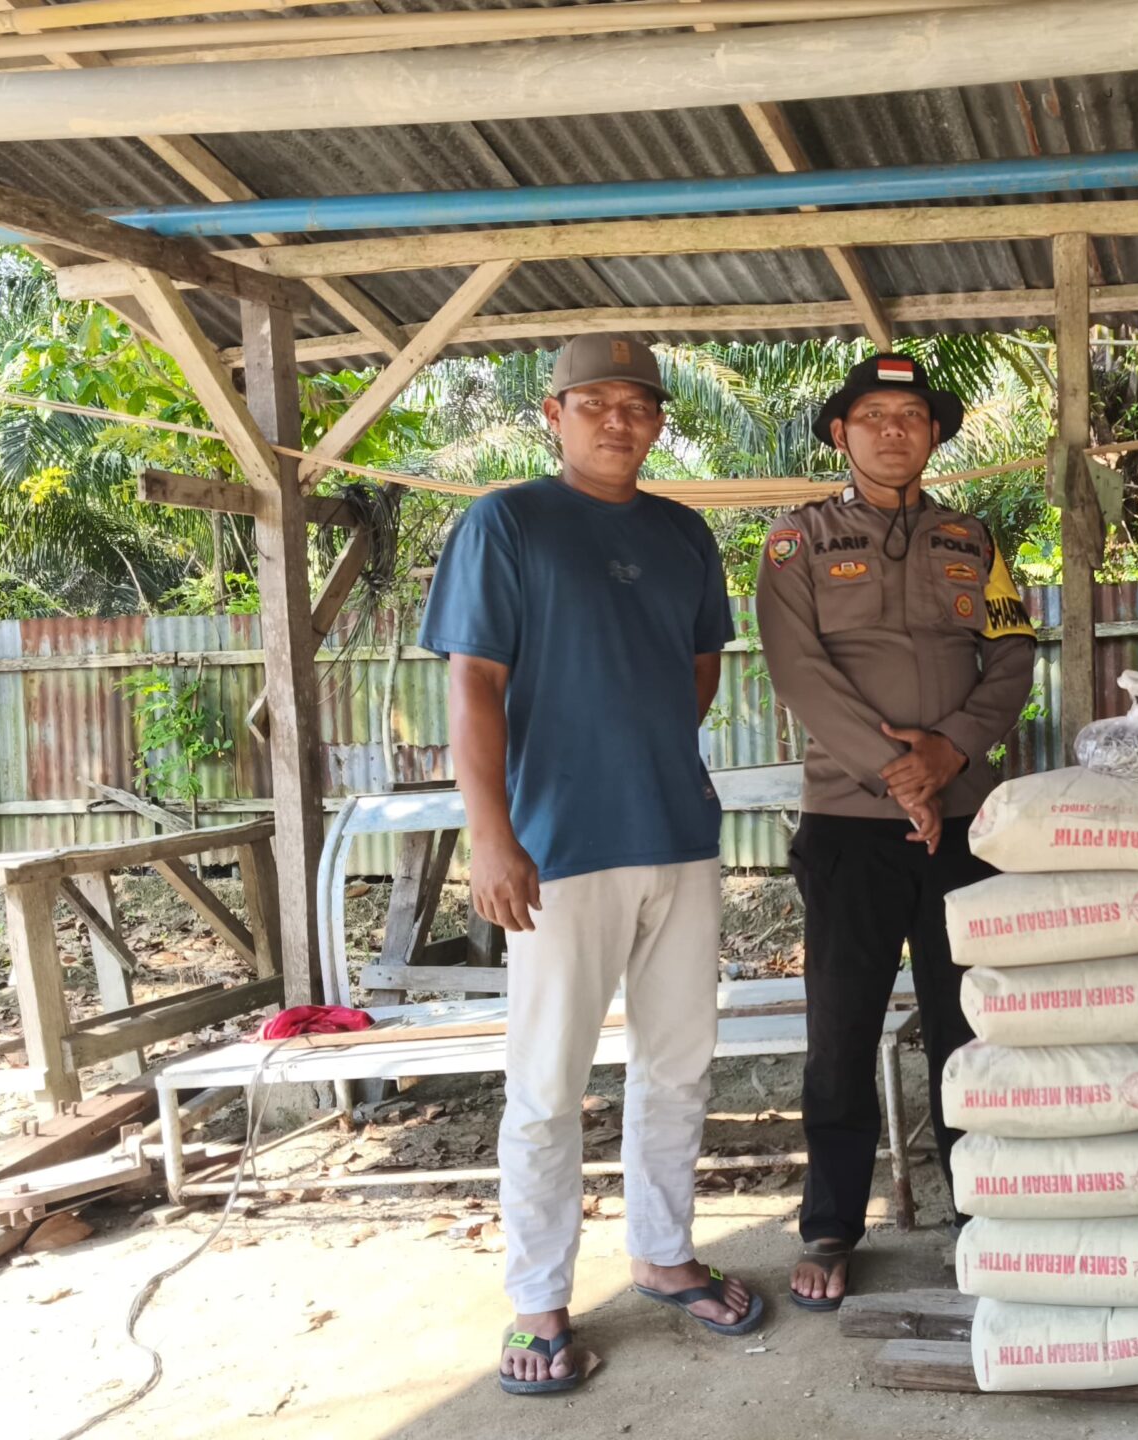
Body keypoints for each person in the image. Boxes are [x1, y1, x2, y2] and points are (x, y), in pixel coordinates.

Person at [421, 333, 764, 1398]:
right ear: (553, 415)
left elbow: (699, 667)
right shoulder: (507, 522)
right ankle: (538, 1301)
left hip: (678, 835)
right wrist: (492, 835)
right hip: (557, 849)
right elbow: (473, 683)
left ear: (658, 421)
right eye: (596, 401)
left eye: (639, 404)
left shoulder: (683, 533)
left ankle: (662, 1255)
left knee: (679, 1063)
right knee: (546, 1084)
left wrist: (642, 746)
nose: (620, 419)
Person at [754, 353, 1038, 1310]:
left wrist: (948, 754)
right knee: (841, 1030)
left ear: (934, 434)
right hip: (848, 825)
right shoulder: (795, 542)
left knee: (969, 1025)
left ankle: (980, 1209)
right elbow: (796, 669)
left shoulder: (975, 539)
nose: (891, 431)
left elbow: (1012, 655)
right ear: (842, 433)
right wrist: (894, 771)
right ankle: (832, 1224)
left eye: (910, 416)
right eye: (872, 415)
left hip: (963, 824)